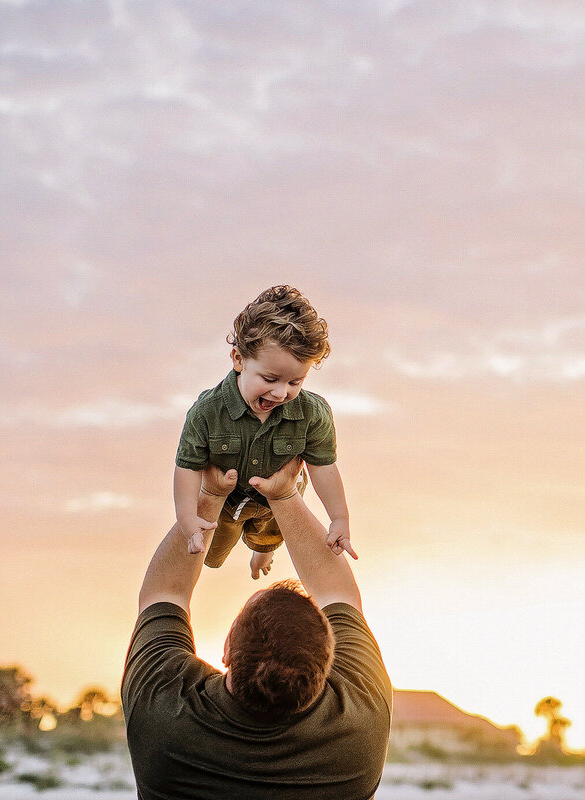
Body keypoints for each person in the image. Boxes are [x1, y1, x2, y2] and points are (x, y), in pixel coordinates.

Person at [122, 460, 392, 799]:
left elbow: (164, 594)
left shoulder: (165, 721)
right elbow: (337, 593)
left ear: (226, 650)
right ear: (328, 661)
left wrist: (210, 495)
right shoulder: (358, 736)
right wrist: (284, 495)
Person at [174, 285, 356, 581]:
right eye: (270, 379)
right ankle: (224, 546)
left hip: (277, 500)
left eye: (295, 382)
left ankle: (263, 552)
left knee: (268, 538)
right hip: (226, 501)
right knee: (212, 557)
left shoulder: (312, 413)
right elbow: (188, 466)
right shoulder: (207, 412)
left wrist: (339, 518)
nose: (282, 392)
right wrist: (187, 517)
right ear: (238, 359)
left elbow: (323, 466)